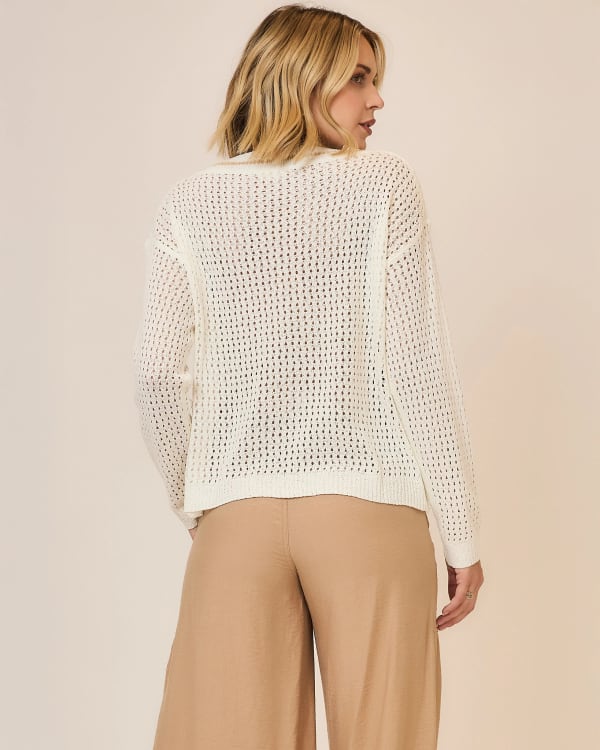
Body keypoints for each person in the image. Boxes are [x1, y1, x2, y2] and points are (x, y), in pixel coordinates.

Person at [132, 4, 484, 749]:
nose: (377, 99)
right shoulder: (383, 186)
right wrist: (461, 537)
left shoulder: (189, 203)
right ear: (299, 77)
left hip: (236, 516)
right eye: (358, 78)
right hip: (368, 505)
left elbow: (159, 376)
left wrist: (202, 505)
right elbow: (417, 367)